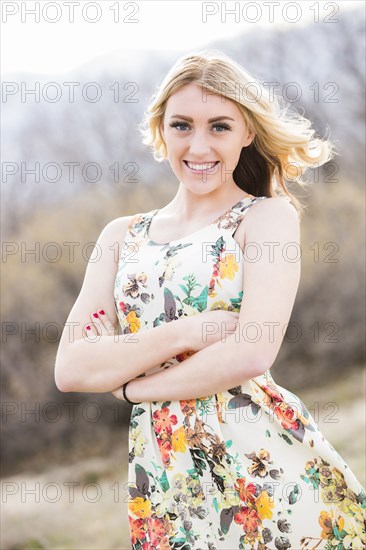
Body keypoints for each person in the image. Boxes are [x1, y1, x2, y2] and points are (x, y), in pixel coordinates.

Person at [55, 50, 366, 549]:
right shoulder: (120, 237)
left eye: (219, 126)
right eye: (182, 125)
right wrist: (188, 332)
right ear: (160, 131)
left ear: (247, 133)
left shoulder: (266, 218)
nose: (198, 145)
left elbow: (251, 352)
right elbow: (72, 368)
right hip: (161, 473)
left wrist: (133, 387)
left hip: (259, 459)